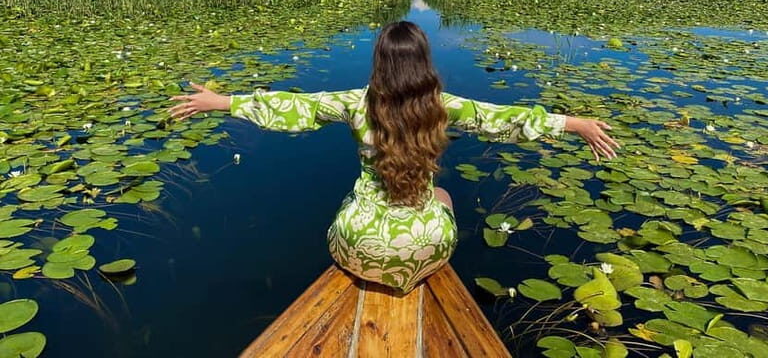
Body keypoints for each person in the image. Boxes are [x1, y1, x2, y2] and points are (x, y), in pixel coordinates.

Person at [169, 21, 619, 294]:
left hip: (358, 247)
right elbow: (505, 119)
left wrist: (223, 101)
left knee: (352, 204)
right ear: (423, 63)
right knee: (440, 192)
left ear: (380, 63)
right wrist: (574, 124)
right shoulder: (444, 107)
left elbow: (294, 107)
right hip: (426, 250)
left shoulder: (355, 102)